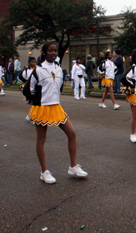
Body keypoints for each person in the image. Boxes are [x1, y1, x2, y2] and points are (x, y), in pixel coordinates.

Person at [27, 42, 88, 184]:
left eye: (55, 51)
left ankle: (73, 166)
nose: (53, 53)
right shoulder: (38, 69)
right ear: (44, 52)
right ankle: (44, 172)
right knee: (41, 139)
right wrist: (37, 100)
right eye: (50, 51)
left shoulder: (59, 69)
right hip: (42, 107)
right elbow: (30, 90)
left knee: (72, 133)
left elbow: (58, 88)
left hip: (56, 107)